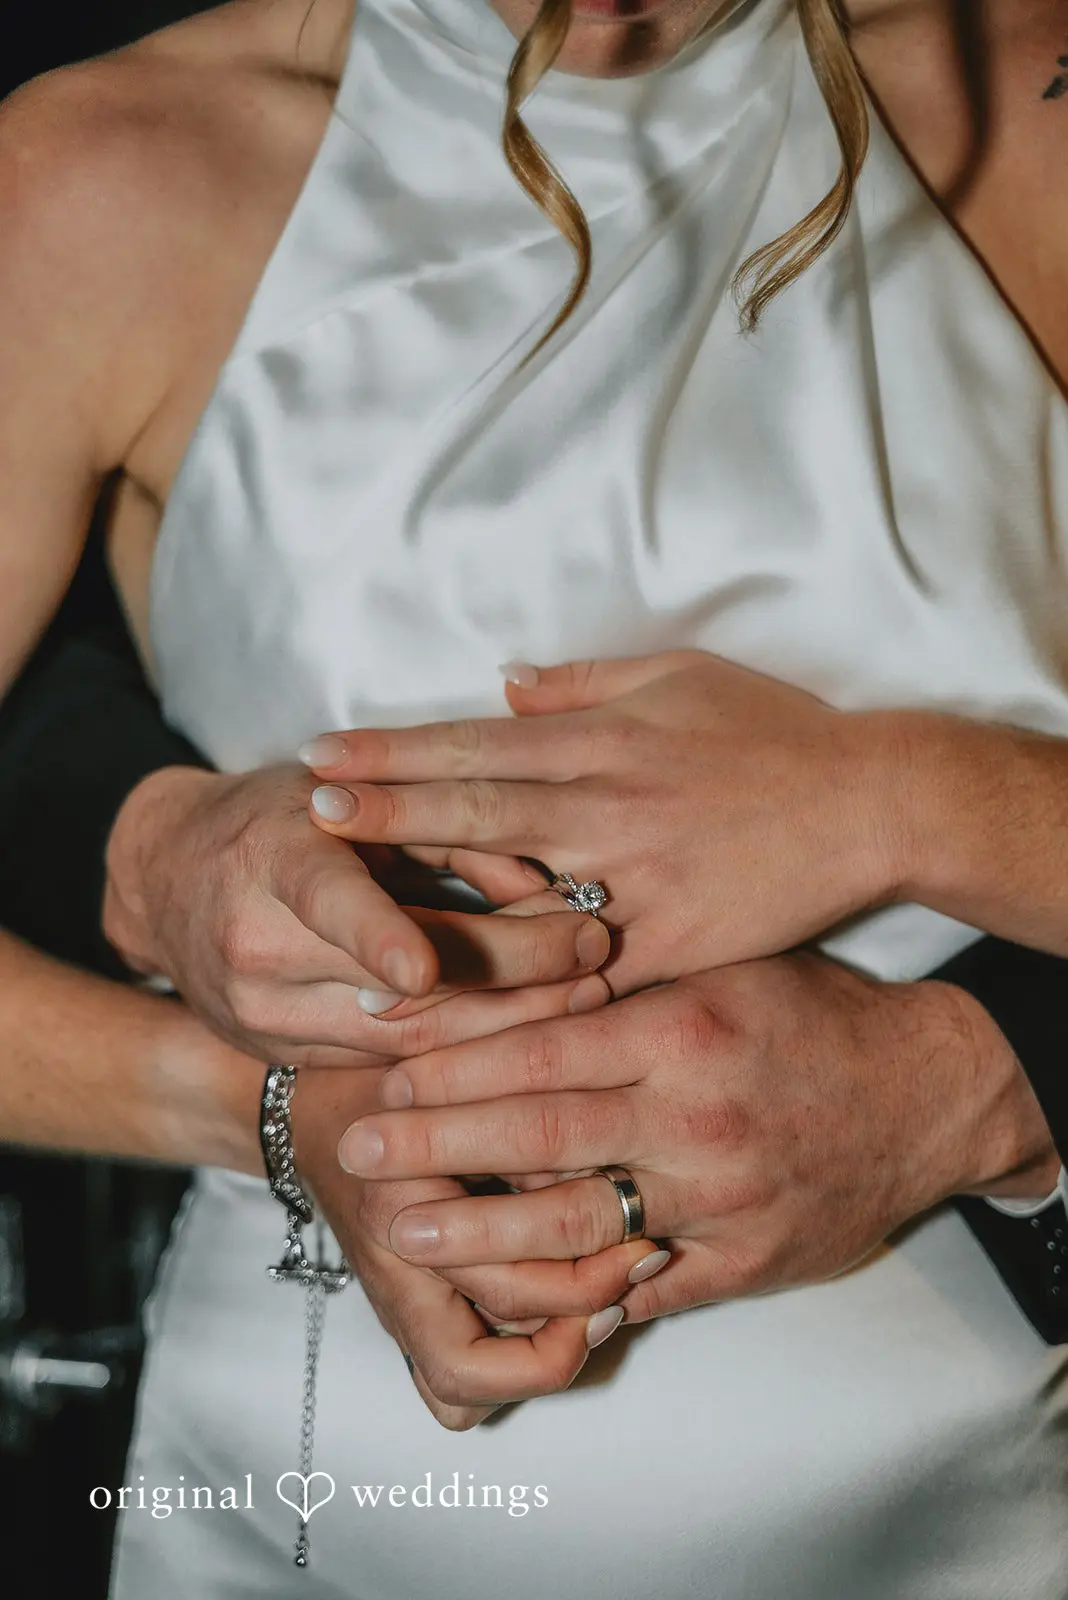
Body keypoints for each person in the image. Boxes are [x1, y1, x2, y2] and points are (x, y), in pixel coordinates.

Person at [2, 0, 1068, 1593]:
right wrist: (283, 1118)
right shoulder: (105, 171)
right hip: (318, 1508)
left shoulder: (1025, 104)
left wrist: (911, 815)